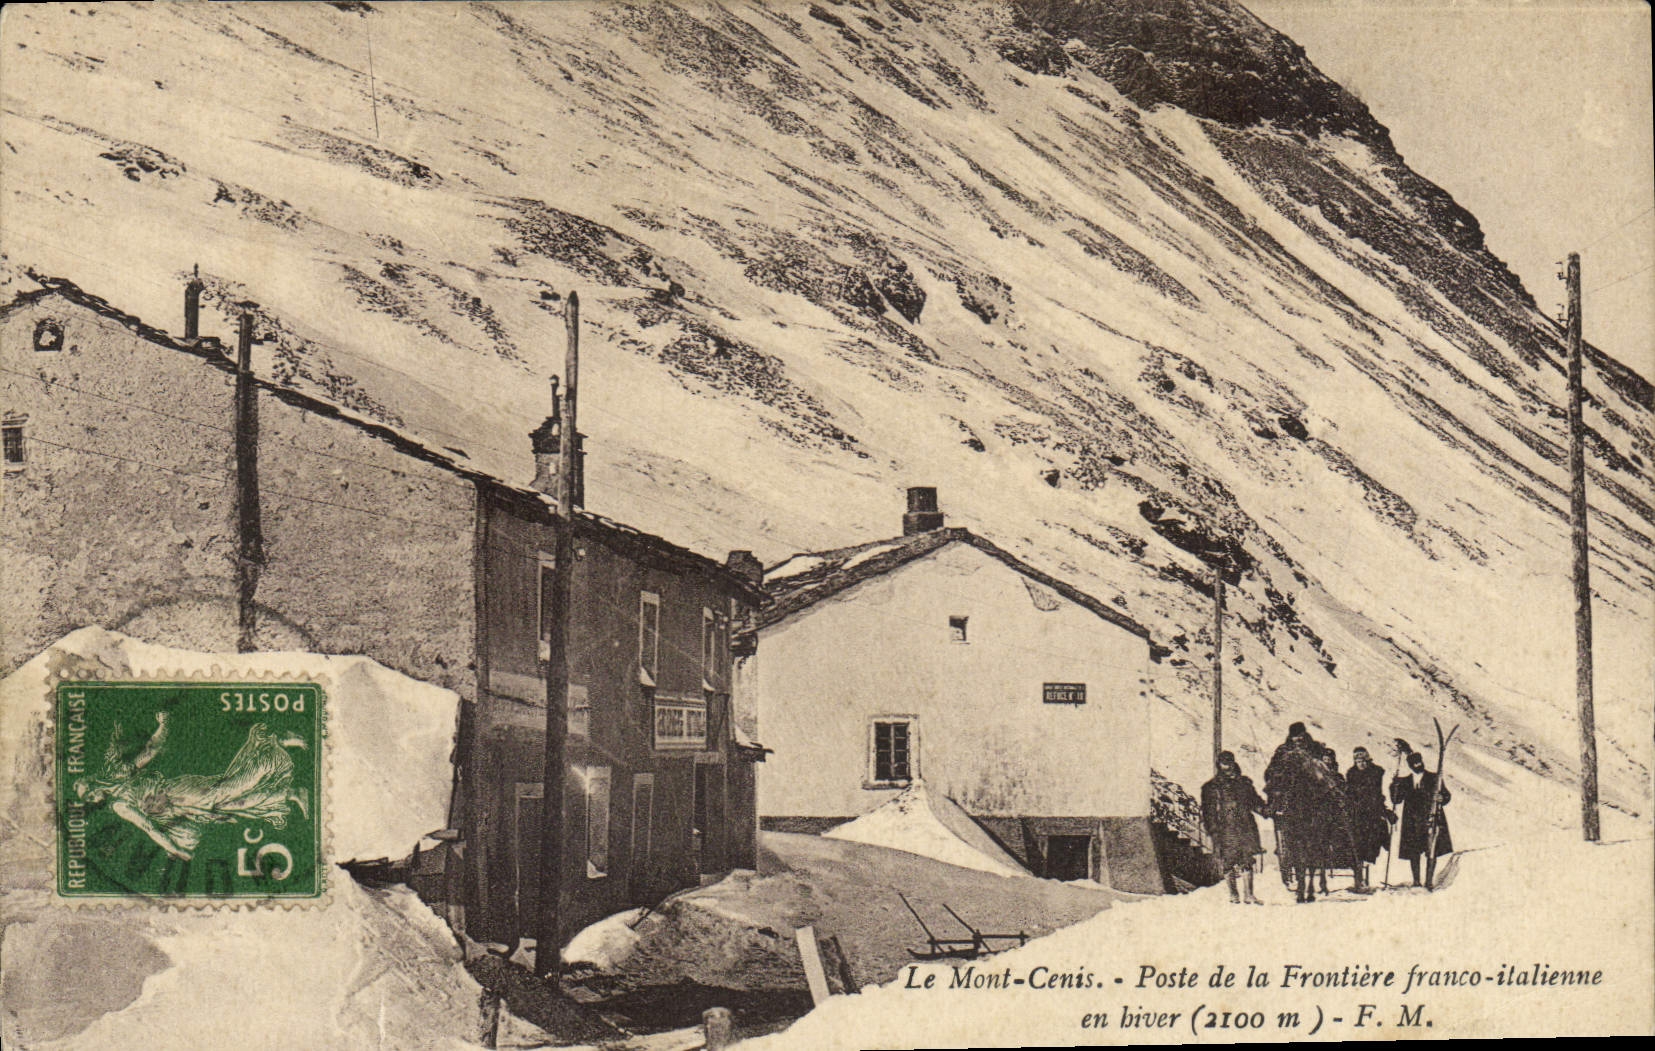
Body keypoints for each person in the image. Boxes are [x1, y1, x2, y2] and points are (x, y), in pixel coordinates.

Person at [1265, 721, 1335, 902]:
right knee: (1294, 845)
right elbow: (1271, 772)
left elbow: (1326, 770)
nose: (1298, 740)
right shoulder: (1282, 751)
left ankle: (1311, 882)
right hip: (1292, 798)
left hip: (1313, 796)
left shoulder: (1315, 749)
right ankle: (1300, 883)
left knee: (1314, 844)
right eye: (1295, 737)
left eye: (1300, 736)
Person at [1201, 751, 1268, 905]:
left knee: (1247, 860)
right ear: (1219, 765)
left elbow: (1255, 802)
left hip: (1245, 827)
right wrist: (1213, 831)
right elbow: (1208, 812)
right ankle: (1233, 894)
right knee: (1228, 861)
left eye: (1229, 762)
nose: (1227, 766)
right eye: (1224, 763)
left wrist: (1266, 810)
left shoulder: (1244, 783)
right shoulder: (1211, 787)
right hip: (1225, 828)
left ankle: (1249, 895)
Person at [1390, 751, 1453, 886]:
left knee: (1432, 849)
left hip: (1431, 818)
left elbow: (1446, 795)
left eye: (1419, 762)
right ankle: (1416, 881)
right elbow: (1396, 800)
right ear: (1410, 765)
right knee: (1414, 851)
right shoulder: (1405, 781)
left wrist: (1442, 798)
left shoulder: (1434, 778)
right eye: (1415, 764)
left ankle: (1429, 881)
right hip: (1412, 821)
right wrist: (1393, 785)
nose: (1418, 765)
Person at [1345, 746, 1394, 892]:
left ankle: (1364, 874)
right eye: (1358, 760)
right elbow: (1350, 793)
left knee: (1375, 839)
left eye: (1363, 760)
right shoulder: (1351, 774)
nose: (1361, 763)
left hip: (1372, 811)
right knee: (1356, 847)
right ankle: (1358, 879)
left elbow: (1377, 792)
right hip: (1357, 814)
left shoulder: (1375, 772)